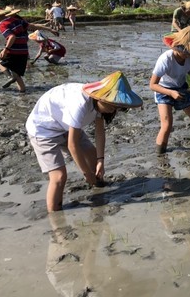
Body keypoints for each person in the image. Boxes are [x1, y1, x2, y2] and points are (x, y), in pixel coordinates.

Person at [25, 71, 143, 212]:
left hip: (65, 125)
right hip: (43, 129)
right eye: (112, 105)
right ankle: (55, 218)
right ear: (100, 97)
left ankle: (98, 188)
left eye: (117, 106)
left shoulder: (101, 103)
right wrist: (86, 173)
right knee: (59, 176)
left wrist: (101, 160)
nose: (114, 110)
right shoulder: (80, 104)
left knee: (92, 155)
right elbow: (72, 145)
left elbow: (100, 132)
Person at [153, 26, 190, 155]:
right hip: (163, 90)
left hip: (181, 87)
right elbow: (152, 85)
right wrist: (171, 93)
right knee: (167, 125)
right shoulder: (165, 59)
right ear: (178, 46)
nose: (189, 54)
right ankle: (160, 155)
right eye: (186, 51)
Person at [0, 6, 59, 93]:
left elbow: (12, 37)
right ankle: (23, 94)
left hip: (13, 50)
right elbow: (33, 26)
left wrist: (6, 49)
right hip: (24, 51)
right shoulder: (18, 21)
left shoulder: (2, 24)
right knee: (17, 74)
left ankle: (9, 77)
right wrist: (49, 29)